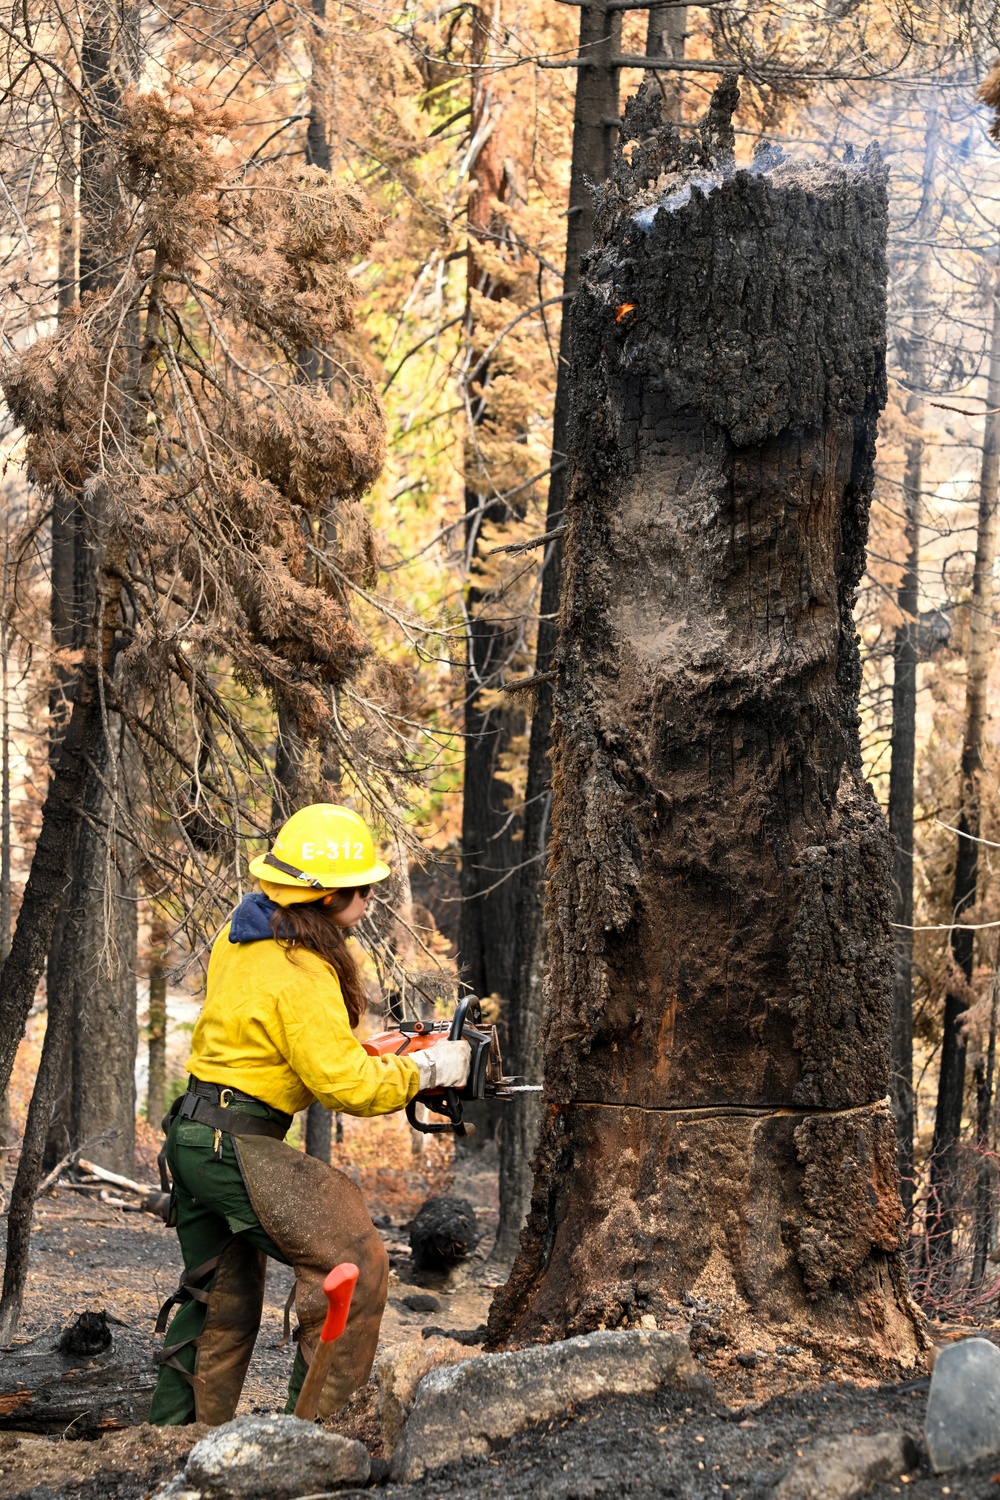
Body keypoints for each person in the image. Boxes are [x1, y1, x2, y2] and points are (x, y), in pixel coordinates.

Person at [148, 803, 471, 1426]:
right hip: (233, 1141)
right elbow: (345, 1087)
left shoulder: (245, 937)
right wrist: (434, 1069)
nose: (371, 900)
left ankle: (176, 1445)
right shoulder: (301, 968)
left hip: (195, 1131)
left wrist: (385, 1053)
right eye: (363, 891)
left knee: (219, 1299)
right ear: (325, 898)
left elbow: (279, 1042)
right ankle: (314, 1435)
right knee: (355, 1261)